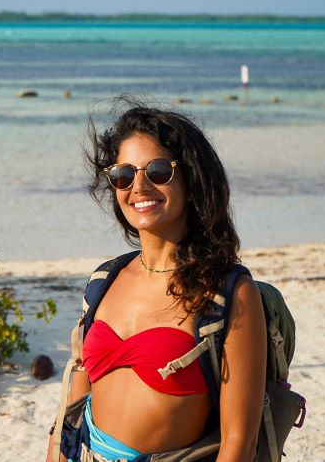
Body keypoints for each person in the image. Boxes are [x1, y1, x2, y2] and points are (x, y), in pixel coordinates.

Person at [47, 97, 267, 462]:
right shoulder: (105, 279)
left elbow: (238, 443)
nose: (139, 186)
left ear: (191, 178)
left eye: (158, 171)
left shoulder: (228, 293)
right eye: (123, 174)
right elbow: (74, 403)